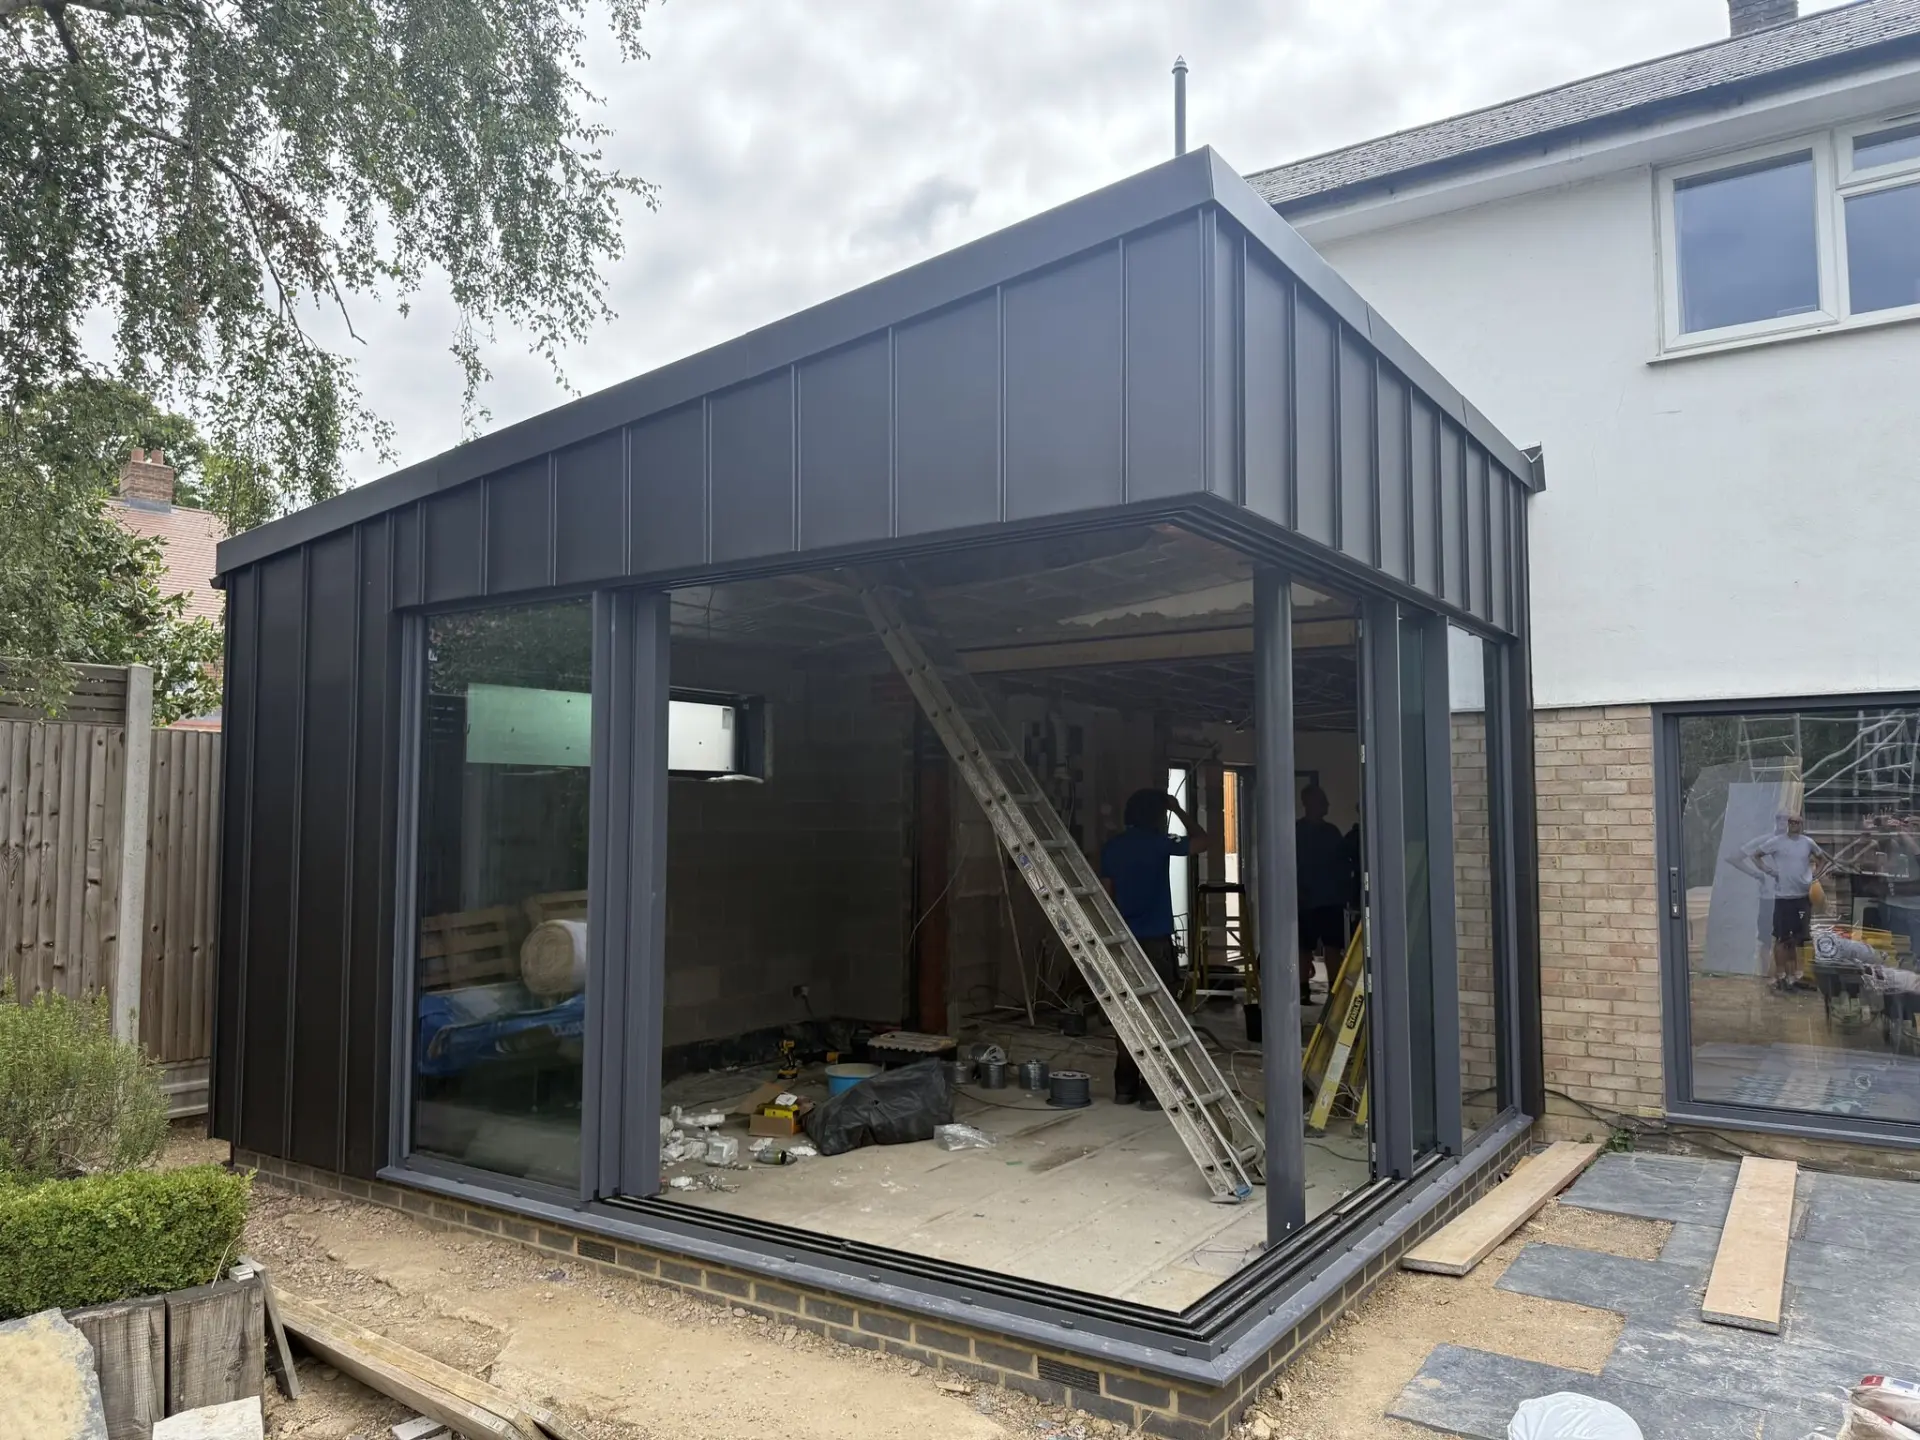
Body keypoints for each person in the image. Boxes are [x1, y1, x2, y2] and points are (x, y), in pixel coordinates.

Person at [1100, 787, 1208, 1107]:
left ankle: (1124, 1086)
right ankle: (1152, 1089)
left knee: (1126, 1012)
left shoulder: (1112, 848)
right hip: (1156, 944)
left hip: (1122, 943)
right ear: (1155, 816)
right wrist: (1178, 810)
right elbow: (1203, 841)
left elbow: (1107, 896)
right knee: (1158, 1014)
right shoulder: (1160, 843)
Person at [1738, 812, 1831, 994]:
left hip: (1802, 898)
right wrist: (1768, 871)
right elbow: (1756, 855)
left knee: (1800, 937)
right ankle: (1780, 975)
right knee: (1781, 937)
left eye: (1797, 822)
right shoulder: (1777, 842)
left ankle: (1796, 976)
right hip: (1782, 898)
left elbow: (1822, 859)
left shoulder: (1807, 842)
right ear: (1788, 824)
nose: (1794, 824)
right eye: (1791, 822)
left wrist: (1814, 875)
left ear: (1801, 824)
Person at [1295, 785, 1349, 1008]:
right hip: (1307, 899)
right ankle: (1302, 990)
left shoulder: (1331, 832)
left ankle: (1333, 990)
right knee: (1304, 948)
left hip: (1330, 899)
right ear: (1310, 804)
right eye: (1323, 800)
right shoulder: (1297, 832)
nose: (1327, 805)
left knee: (1332, 947)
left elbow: (1343, 863)